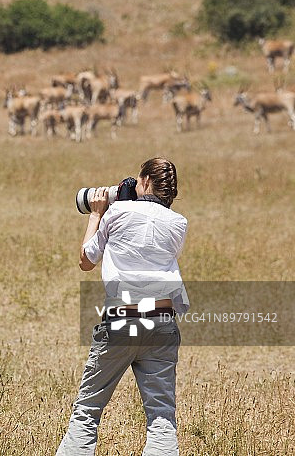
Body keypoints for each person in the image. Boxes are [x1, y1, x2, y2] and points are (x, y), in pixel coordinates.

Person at [57, 157, 189, 456]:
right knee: (161, 416)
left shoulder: (116, 211)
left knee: (88, 409)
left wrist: (96, 214)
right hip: (163, 318)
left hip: (123, 317)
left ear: (143, 181)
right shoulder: (179, 223)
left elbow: (86, 261)